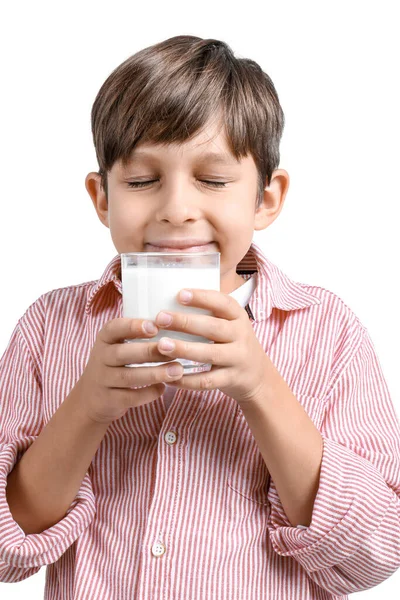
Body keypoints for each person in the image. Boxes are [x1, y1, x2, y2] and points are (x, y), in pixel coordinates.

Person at [0, 35, 399, 600]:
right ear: (103, 199)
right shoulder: (50, 326)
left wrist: (261, 387)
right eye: (142, 181)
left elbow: (374, 553)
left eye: (212, 181)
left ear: (266, 198)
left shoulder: (327, 332)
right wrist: (86, 408)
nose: (177, 209)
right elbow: (6, 551)